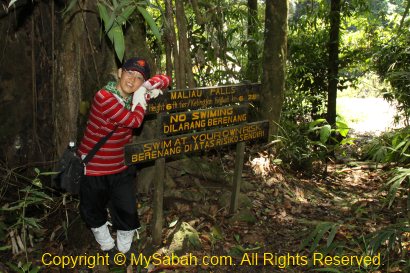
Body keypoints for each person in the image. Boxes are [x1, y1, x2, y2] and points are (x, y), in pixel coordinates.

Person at [77, 57, 171, 259]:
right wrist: (142, 96)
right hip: (93, 168)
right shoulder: (104, 97)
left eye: (139, 78)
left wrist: (146, 86)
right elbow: (134, 121)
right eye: (129, 73)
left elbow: (165, 79)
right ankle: (107, 247)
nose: (132, 80)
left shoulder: (133, 96)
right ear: (119, 72)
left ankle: (124, 250)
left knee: (127, 210)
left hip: (120, 166)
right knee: (93, 212)